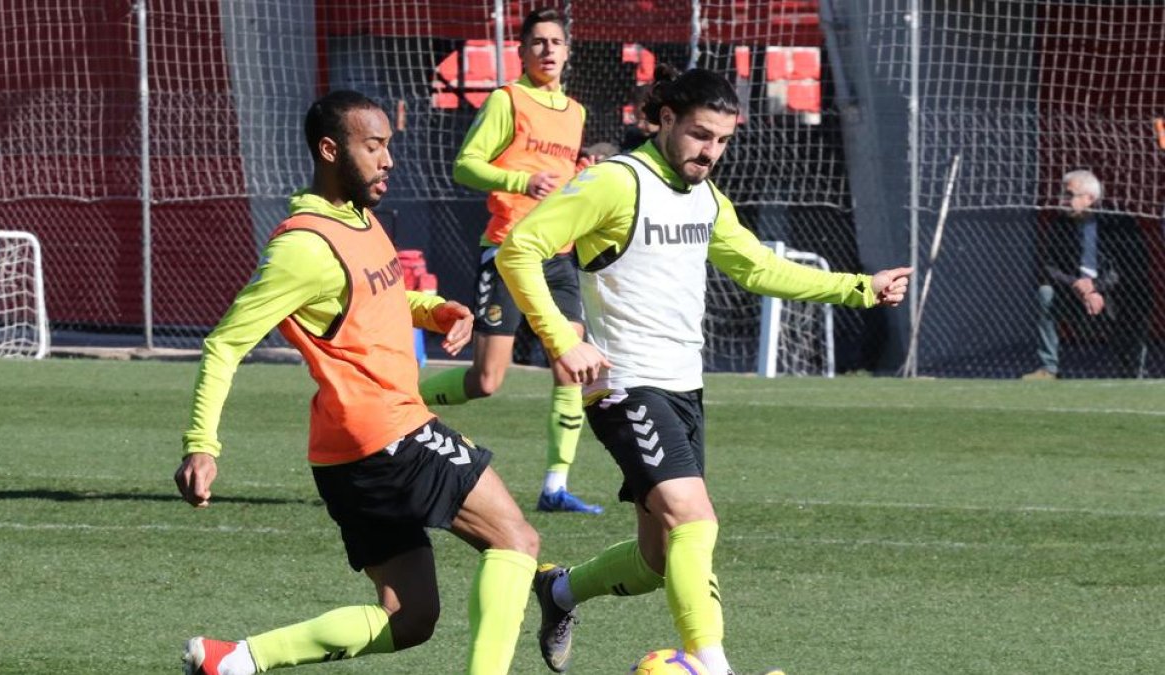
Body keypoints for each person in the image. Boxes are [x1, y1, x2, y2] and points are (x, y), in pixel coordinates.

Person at [495, 68, 912, 675]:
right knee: (696, 520)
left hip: (685, 387)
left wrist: (859, 289)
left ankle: (558, 591)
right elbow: (519, 248)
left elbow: (759, 268)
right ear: (663, 119)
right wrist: (561, 338)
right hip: (625, 384)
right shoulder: (615, 182)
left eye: (721, 139)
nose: (710, 151)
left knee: (658, 559)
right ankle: (714, 668)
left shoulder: (706, 197)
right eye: (699, 135)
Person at [174, 90, 539, 675]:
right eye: (373, 146)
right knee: (516, 541)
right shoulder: (303, 247)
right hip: (387, 432)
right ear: (328, 149)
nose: (387, 159)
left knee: (410, 617)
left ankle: (238, 660)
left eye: (387, 145)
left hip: (349, 456)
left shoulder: (360, 219)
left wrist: (437, 308)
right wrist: (202, 445)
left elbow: (382, 297)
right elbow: (226, 342)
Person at [419, 8, 603, 514]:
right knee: (486, 381)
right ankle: (404, 404)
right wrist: (520, 182)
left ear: (568, 52)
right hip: (506, 249)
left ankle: (554, 487)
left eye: (555, 42)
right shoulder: (507, 100)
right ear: (522, 52)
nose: (547, 50)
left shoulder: (576, 112)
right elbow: (465, 165)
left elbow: (560, 176)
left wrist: (581, 176)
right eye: (538, 42)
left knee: (573, 367)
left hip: (558, 254)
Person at [1023, 169, 1151, 379]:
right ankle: (1048, 368)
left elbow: (1131, 266)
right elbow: (1050, 266)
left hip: (1114, 291)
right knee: (1045, 293)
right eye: (1062, 195)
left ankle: (1133, 369)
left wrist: (1096, 286)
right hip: (1074, 292)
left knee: (1138, 296)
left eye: (1069, 195)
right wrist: (1077, 285)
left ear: (1090, 198)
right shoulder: (1060, 224)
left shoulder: (1119, 222)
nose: (1062, 201)